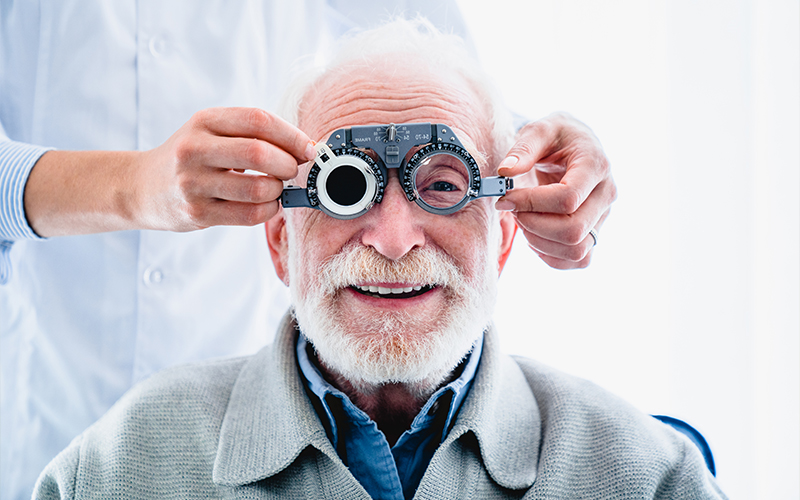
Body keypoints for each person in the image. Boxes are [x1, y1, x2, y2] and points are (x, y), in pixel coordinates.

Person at [33, 19, 721, 500]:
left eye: (445, 186)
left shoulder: (645, 474)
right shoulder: (114, 471)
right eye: (344, 186)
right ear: (279, 240)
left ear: (504, 237)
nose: (393, 239)